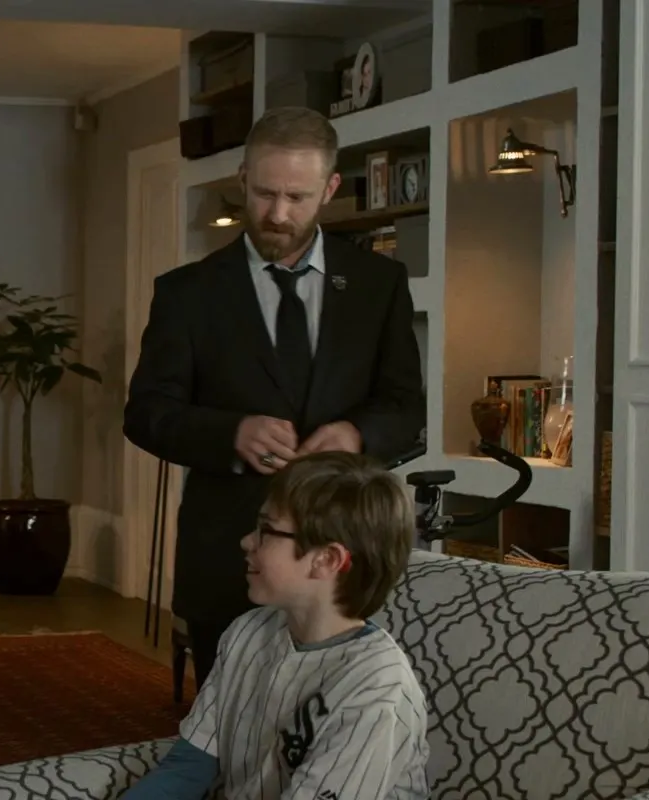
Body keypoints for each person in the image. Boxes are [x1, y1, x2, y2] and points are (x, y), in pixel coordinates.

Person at [124, 106, 425, 686]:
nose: (278, 214)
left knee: (336, 719)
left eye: (297, 197)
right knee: (227, 724)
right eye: (264, 194)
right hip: (228, 558)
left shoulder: (379, 284)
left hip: (346, 558)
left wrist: (356, 435)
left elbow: (406, 404)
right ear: (242, 179)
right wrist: (230, 434)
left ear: (329, 189)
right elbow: (146, 413)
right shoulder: (187, 293)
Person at [122, 451, 429, 800]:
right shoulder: (248, 631)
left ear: (326, 559)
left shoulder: (377, 688)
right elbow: (190, 766)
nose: (246, 541)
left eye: (266, 530)